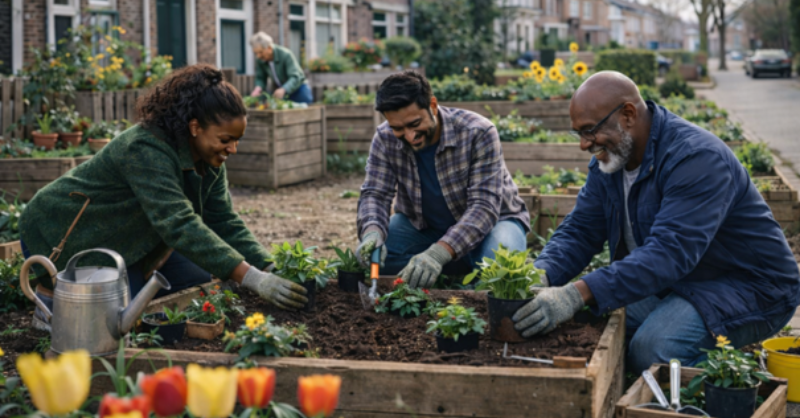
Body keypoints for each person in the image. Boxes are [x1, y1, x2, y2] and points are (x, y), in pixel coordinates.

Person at [512, 71, 800, 374]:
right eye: (578, 133)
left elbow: (669, 254)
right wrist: (540, 276)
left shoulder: (696, 158)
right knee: (594, 319)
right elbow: (580, 230)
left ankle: (742, 376)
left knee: (651, 351)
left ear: (628, 115)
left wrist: (576, 292)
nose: (584, 145)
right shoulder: (611, 161)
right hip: (683, 281)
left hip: (751, 287)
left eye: (590, 130)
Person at [20, 64, 308, 332]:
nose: (232, 149)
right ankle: (50, 298)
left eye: (237, 140)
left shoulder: (209, 159)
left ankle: (138, 273)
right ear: (195, 127)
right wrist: (253, 279)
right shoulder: (145, 148)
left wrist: (269, 267)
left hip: (124, 235)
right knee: (112, 318)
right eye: (225, 140)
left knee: (197, 278)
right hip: (65, 232)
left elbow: (223, 219)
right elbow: (178, 223)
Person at [355, 71, 530, 288]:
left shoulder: (478, 132)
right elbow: (375, 194)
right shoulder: (384, 138)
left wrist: (438, 254)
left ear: (433, 105)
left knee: (502, 272)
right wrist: (372, 233)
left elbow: (484, 208)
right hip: (425, 227)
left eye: (415, 123)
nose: (409, 136)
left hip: (494, 223)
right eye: (398, 128)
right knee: (373, 257)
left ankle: (455, 265)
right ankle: (459, 269)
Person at [249, 32, 312, 104]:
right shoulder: (261, 60)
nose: (258, 56)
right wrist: (258, 87)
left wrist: (284, 89)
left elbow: (295, 77)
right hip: (282, 91)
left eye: (260, 52)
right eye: (256, 53)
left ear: (269, 48)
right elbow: (261, 77)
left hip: (299, 90)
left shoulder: (286, 55)